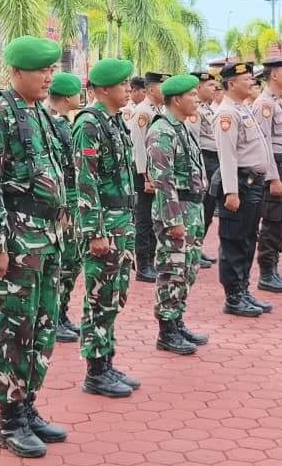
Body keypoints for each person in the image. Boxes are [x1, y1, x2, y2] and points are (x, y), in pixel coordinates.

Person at [0, 36, 69, 457]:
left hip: (46, 239)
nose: (48, 77)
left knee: (42, 326)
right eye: (40, 70)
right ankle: (10, 420)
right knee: (14, 329)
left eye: (51, 70)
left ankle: (28, 405)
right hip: (18, 240)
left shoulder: (40, 113)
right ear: (16, 72)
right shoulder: (0, 114)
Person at [74, 58, 139, 398]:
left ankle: (107, 360)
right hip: (105, 224)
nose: (128, 89)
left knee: (114, 294)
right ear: (102, 89)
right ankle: (95, 370)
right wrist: (95, 231)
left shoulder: (114, 122)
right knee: (99, 296)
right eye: (122, 84)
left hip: (121, 220)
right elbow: (85, 181)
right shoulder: (89, 124)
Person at [147, 74, 210, 355]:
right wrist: (173, 220)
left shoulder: (181, 127)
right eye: (191, 95)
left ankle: (177, 320)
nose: (197, 99)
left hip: (191, 209)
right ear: (176, 99)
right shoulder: (162, 131)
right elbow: (163, 180)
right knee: (172, 270)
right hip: (177, 211)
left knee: (188, 269)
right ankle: (167, 330)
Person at [214, 61, 280, 315]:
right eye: (246, 79)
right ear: (231, 84)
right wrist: (231, 191)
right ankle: (233, 297)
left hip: (253, 183)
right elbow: (227, 155)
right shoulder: (227, 113)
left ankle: (243, 289)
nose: (252, 82)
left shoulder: (243, 109)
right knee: (234, 242)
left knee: (248, 239)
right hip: (241, 184)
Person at [252, 58, 282, 294]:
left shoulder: (279, 102)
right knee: (273, 220)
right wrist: (273, 177)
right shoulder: (264, 104)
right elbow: (265, 144)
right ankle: (266, 273)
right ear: (273, 75)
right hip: (276, 167)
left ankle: (274, 269)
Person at [47, 72, 83, 344]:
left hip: (72, 197)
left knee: (72, 260)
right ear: (68, 96)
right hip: (64, 198)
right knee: (65, 261)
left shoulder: (63, 123)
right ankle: (54, 317)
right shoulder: (54, 125)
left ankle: (61, 313)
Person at [126, 72, 166, 283]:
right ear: (151, 89)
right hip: (144, 174)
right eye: (162, 87)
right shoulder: (143, 111)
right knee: (144, 220)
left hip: (155, 173)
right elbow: (138, 146)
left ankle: (151, 260)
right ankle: (143, 265)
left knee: (154, 218)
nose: (165, 91)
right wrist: (146, 175)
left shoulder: (156, 110)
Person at [192, 70, 220, 269]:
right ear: (198, 87)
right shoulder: (195, 111)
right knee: (202, 208)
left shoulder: (209, 109)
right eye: (210, 85)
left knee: (208, 209)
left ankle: (198, 246)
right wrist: (201, 172)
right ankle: (193, 249)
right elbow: (195, 143)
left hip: (215, 160)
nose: (214, 88)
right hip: (206, 160)